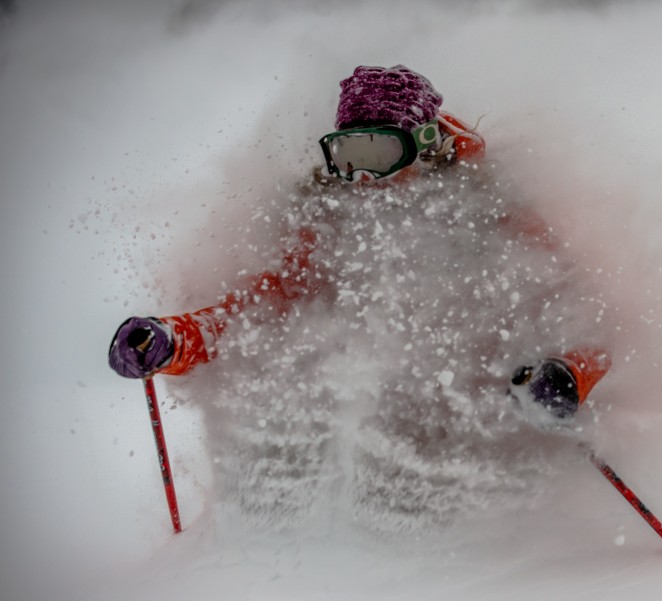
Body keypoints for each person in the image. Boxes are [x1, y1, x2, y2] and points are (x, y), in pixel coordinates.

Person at [108, 65, 612, 529]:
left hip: (485, 442)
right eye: (347, 158)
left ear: (423, 143)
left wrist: (567, 374)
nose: (363, 178)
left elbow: (586, 313)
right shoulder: (330, 213)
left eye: (379, 155)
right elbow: (270, 305)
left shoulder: (490, 207)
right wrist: (180, 340)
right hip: (374, 442)